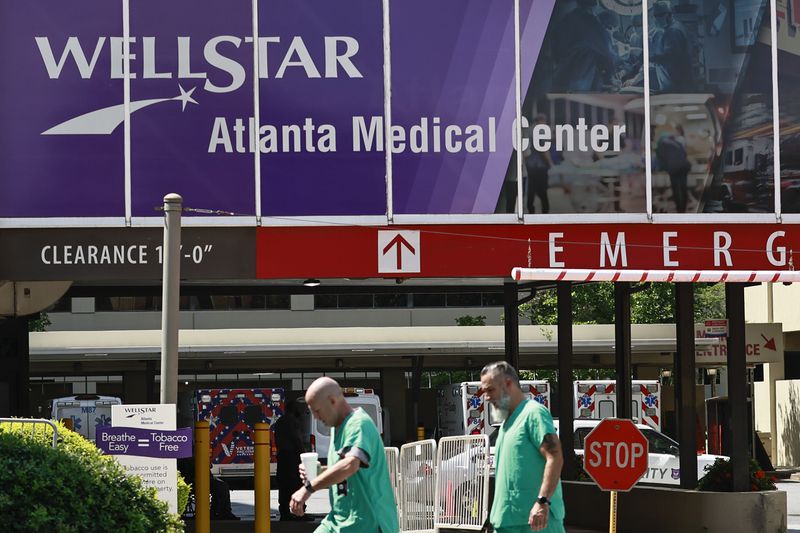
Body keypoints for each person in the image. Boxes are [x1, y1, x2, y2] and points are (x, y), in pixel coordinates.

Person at [289, 377, 398, 533]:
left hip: (369, 523)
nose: (315, 417)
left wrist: (308, 488)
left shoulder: (359, 424)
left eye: (317, 410)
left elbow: (350, 465)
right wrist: (318, 473)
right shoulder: (336, 428)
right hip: (339, 521)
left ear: (333, 401)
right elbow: (344, 474)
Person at [480, 362, 565, 533]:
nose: (486, 397)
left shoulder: (534, 413)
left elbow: (555, 457)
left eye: (490, 390)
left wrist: (542, 502)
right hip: (507, 522)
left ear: (508, 384)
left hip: (537, 523)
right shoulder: (506, 423)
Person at [551, 0, 617, 91]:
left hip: (558, 78)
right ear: (595, 5)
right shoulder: (590, 22)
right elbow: (608, 52)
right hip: (577, 83)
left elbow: (556, 50)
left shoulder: (567, 18)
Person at [273, 399, 313, 521]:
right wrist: (303, 453)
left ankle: (284, 512)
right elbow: (297, 439)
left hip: (282, 456)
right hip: (292, 457)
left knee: (284, 485)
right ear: (294, 410)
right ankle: (299, 512)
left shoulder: (280, 421)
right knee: (297, 484)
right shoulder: (293, 421)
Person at [650, 1, 692, 92]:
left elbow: (671, 58)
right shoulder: (675, 28)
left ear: (667, 15)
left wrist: (652, 58)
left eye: (657, 17)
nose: (656, 20)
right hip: (676, 82)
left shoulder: (673, 31)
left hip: (677, 85)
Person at [655, 130, 691, 212]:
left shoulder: (661, 144)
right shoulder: (677, 143)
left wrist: (662, 168)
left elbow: (660, 158)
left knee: (676, 189)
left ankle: (679, 209)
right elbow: (685, 154)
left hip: (673, 169)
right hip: (683, 167)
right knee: (683, 188)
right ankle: (683, 209)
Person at [525, 114, 553, 214]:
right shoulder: (540, 131)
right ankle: (545, 214)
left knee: (530, 191)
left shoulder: (528, 130)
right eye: (544, 121)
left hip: (529, 165)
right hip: (540, 167)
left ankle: (530, 212)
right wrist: (550, 163)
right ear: (540, 121)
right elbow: (543, 149)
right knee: (543, 192)